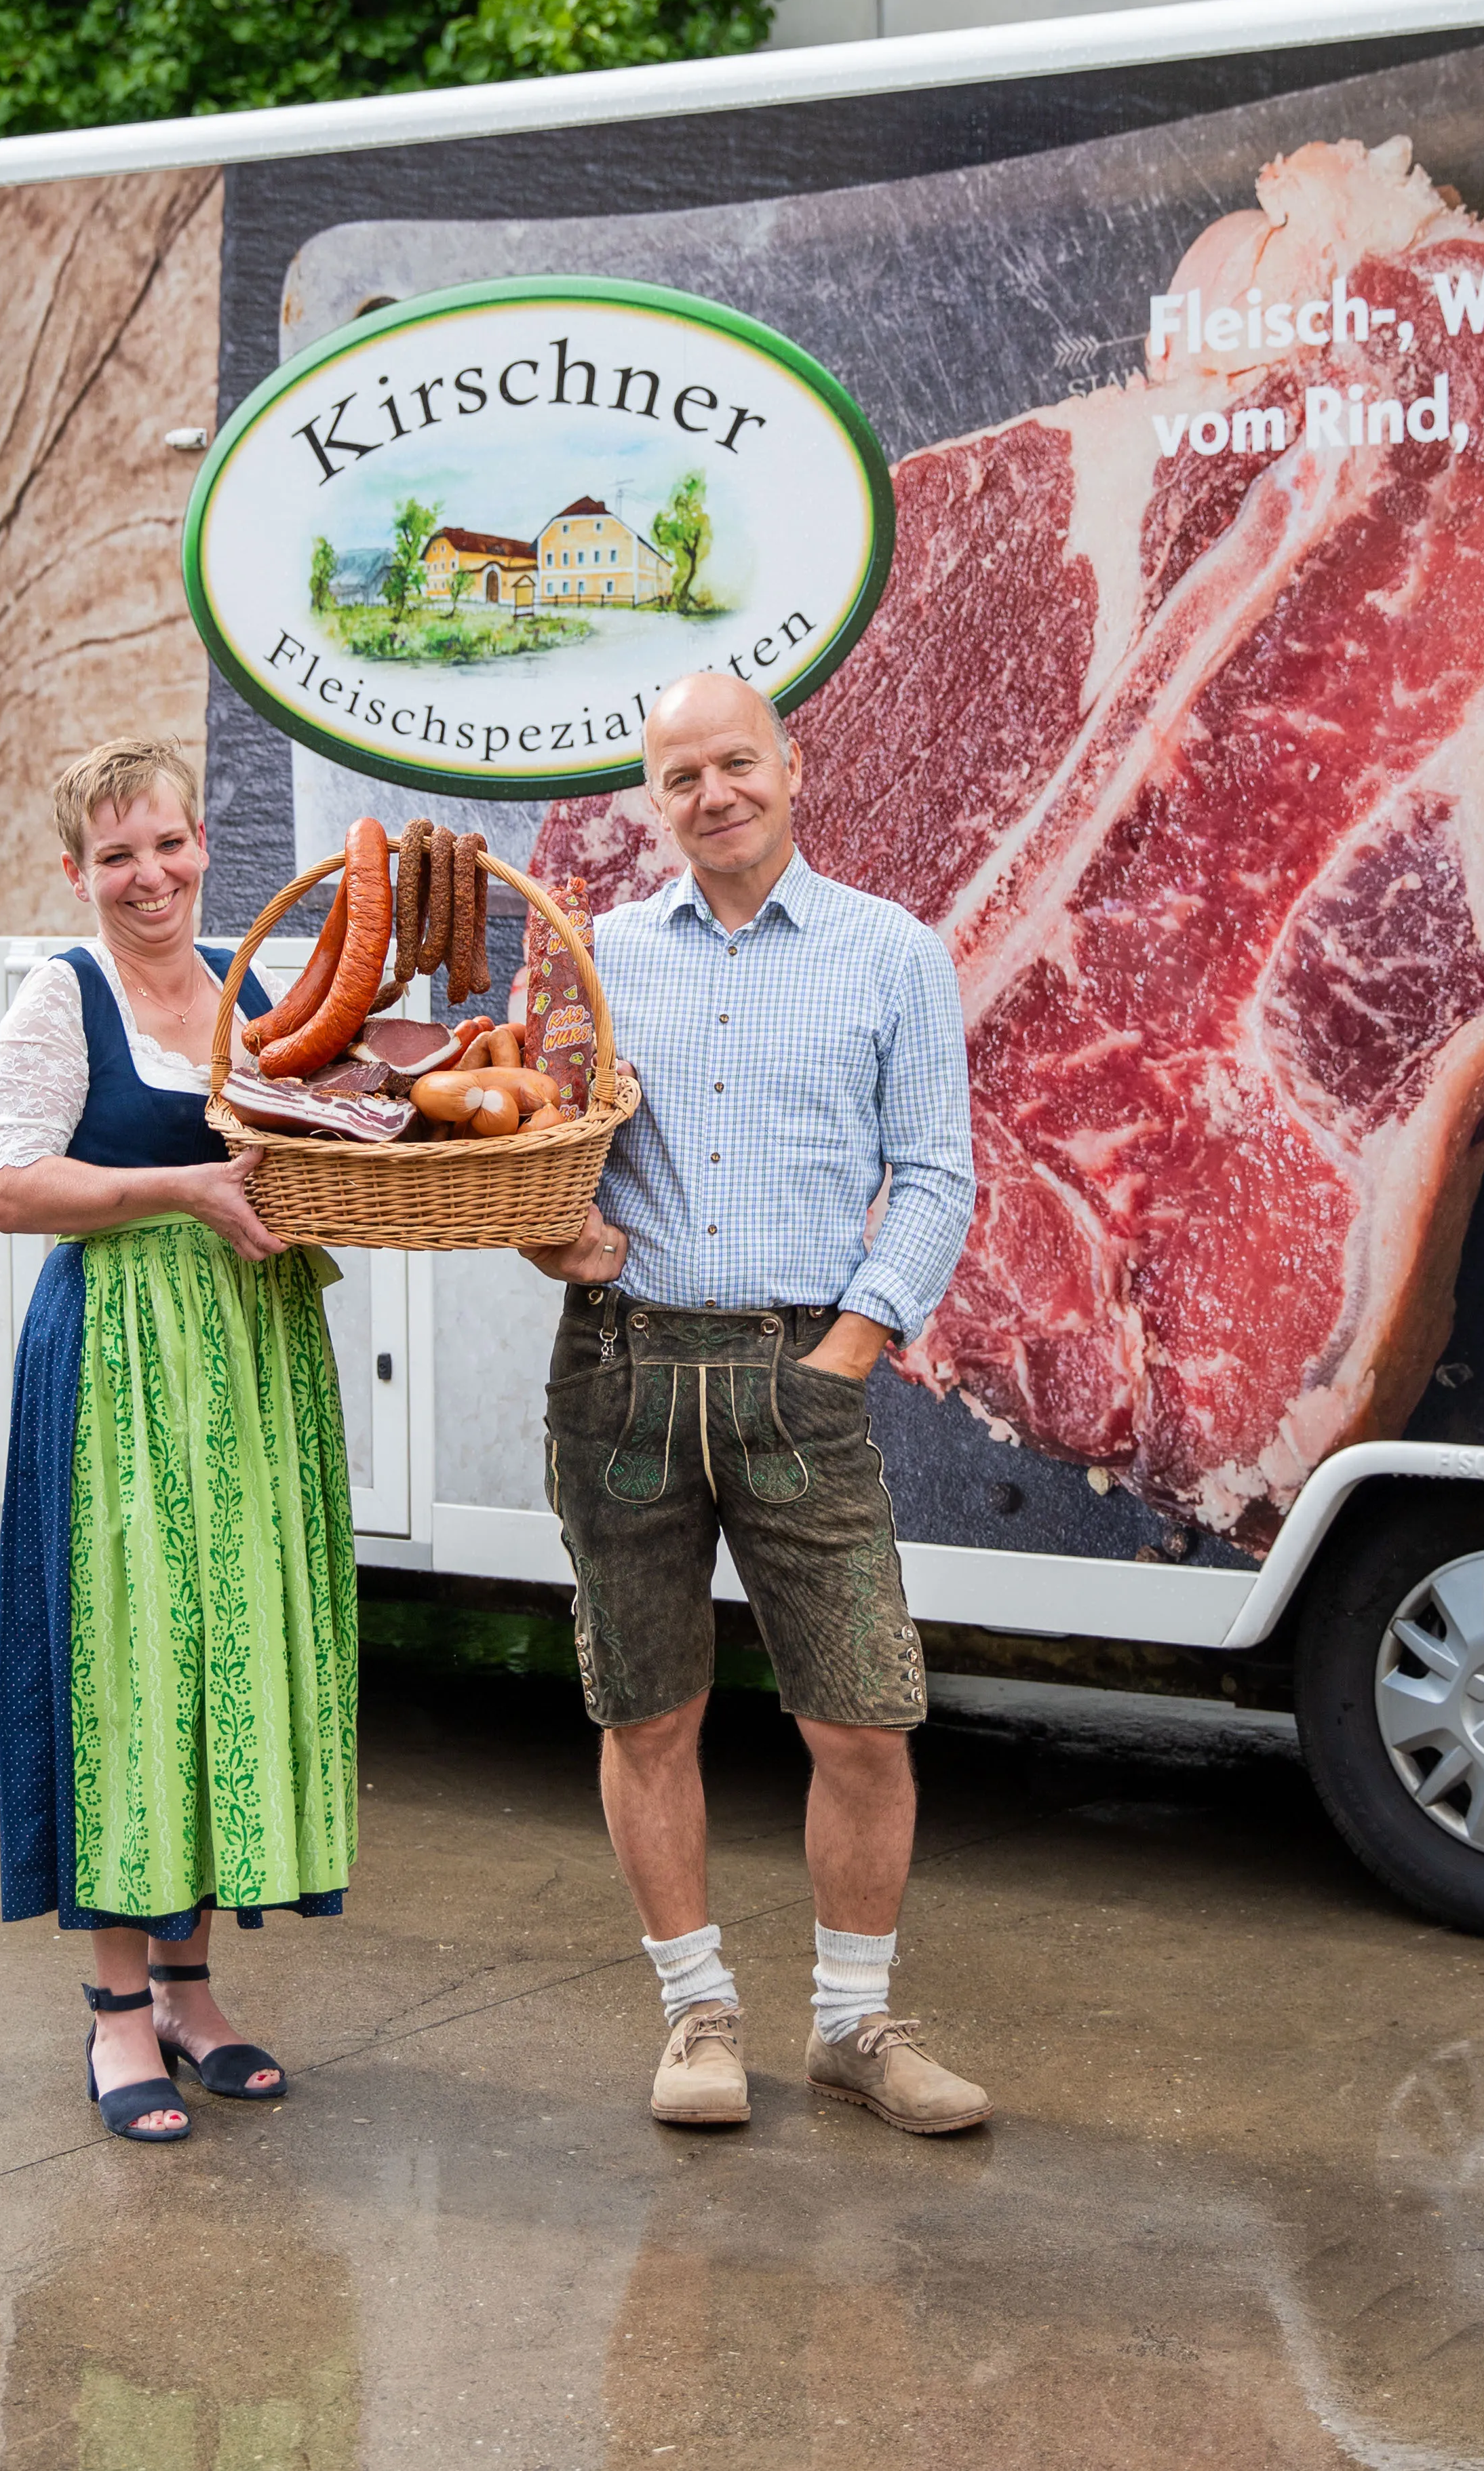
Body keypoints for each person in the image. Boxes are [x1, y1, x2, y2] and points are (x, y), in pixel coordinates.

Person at [523, 672, 985, 2135]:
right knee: (648, 1706)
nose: (712, 793)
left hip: (801, 1368)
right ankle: (697, 2012)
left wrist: (849, 1344)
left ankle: (855, 2022)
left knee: (860, 1719)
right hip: (624, 1368)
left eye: (737, 762)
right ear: (650, 800)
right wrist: (556, 1232)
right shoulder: (596, 957)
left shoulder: (889, 952)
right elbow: (541, 1161)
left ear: (791, 766)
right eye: (680, 776)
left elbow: (934, 1173)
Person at [0, 737, 356, 2145]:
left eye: (172, 844)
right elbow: (15, 1190)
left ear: (206, 845)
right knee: (131, 1663)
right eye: (119, 854)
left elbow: (300, 1145)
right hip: (123, 1360)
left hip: (250, 1356)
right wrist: (182, 1189)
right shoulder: (60, 997)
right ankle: (116, 2016)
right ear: (76, 873)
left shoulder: (247, 982)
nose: (151, 875)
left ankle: (197, 1994)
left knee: (222, 1656)